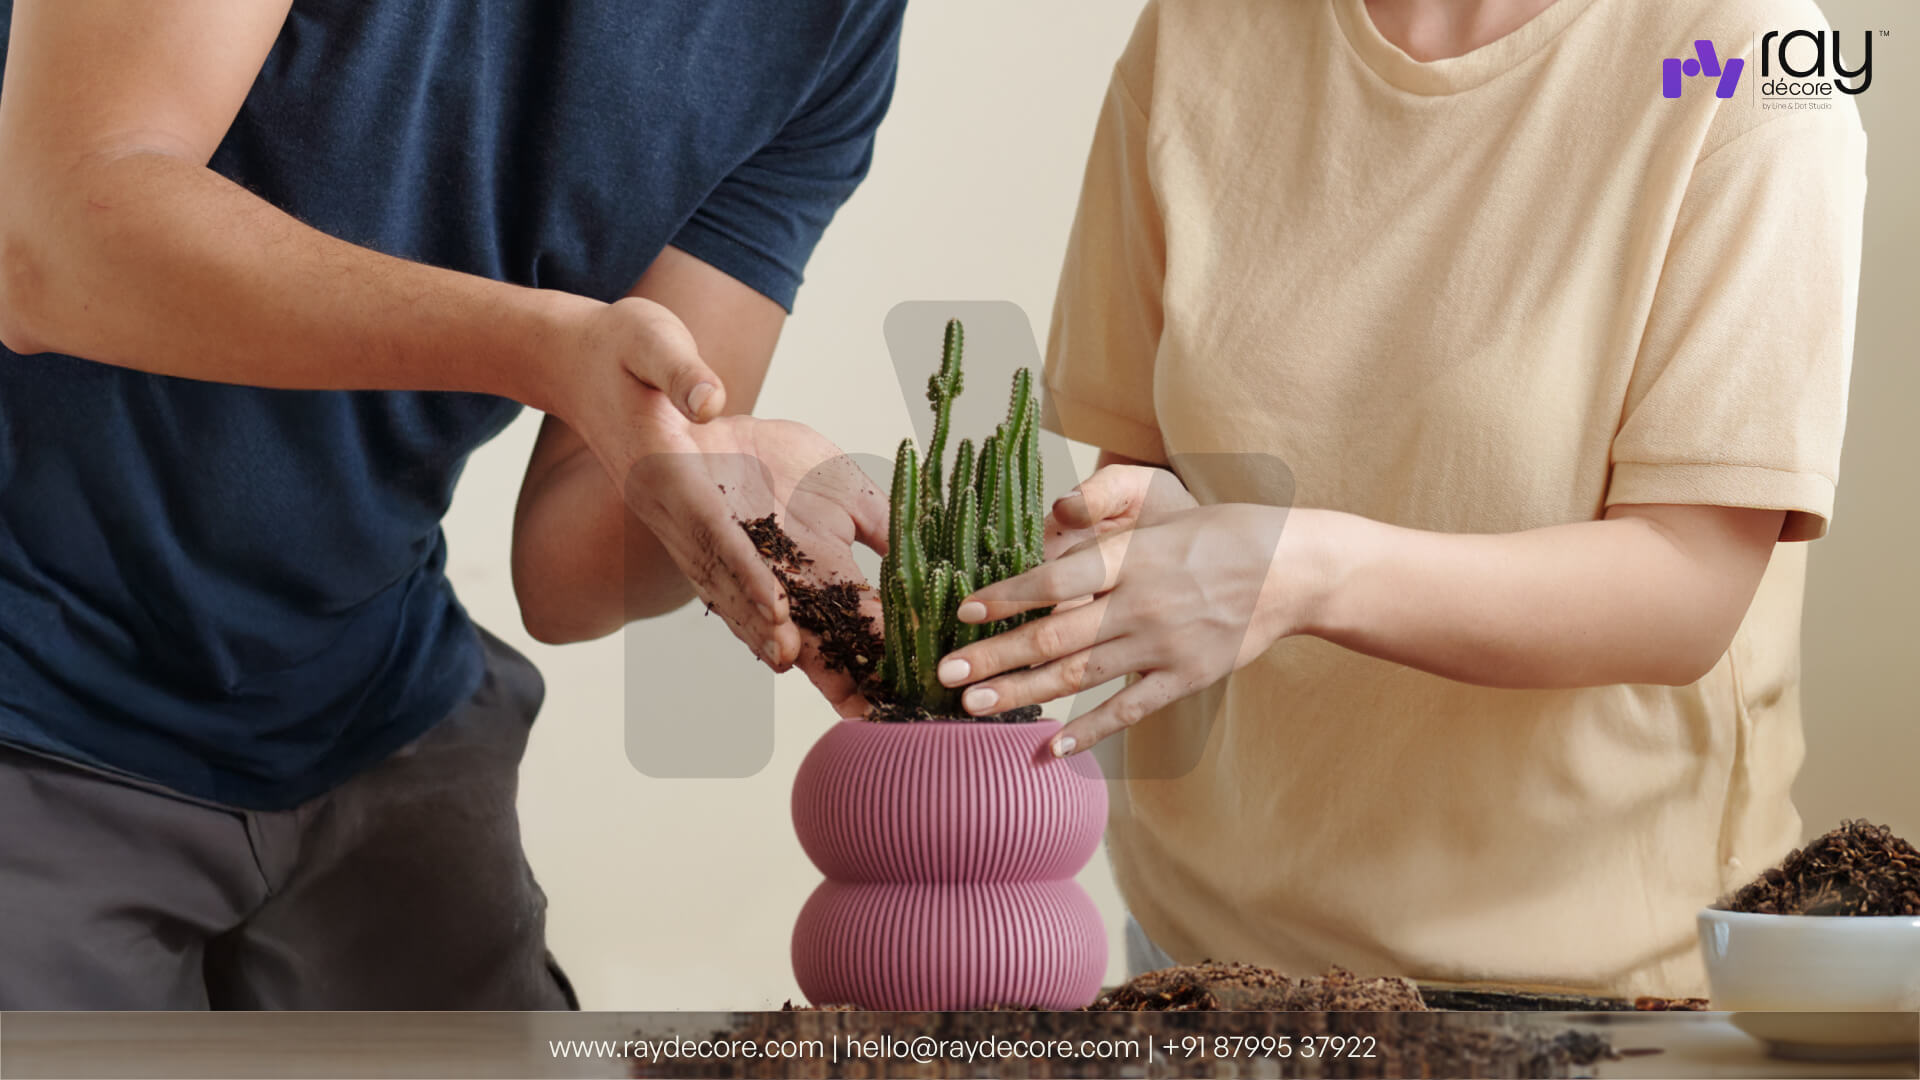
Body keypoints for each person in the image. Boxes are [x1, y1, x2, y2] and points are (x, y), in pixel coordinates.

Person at [934, 0, 1866, 997]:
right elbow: (1146, 474)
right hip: (1198, 963)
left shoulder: (1751, 63)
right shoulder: (1196, 32)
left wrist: (1303, 572)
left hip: (1579, 995)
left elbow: (1686, 592)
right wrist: (950, 609)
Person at [0, 0, 899, 1009]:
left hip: (363, 698)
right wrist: (545, 349)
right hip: (32, 685)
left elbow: (566, 570)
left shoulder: (837, 26)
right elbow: (57, 239)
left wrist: (714, 479)